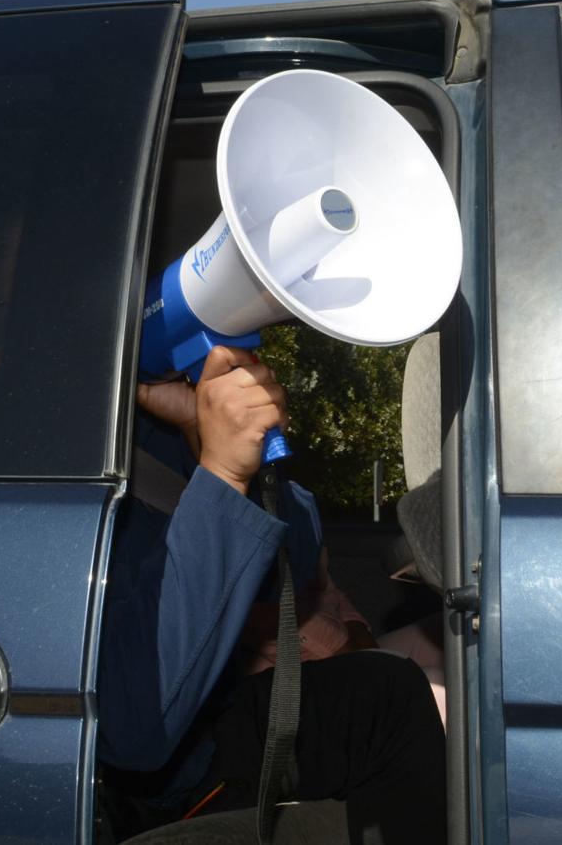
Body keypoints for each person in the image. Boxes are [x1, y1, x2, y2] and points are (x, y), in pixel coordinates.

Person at [98, 345, 445, 843]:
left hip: (212, 711)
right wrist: (222, 476)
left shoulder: (143, 434)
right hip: (151, 778)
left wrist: (202, 435)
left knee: (386, 693)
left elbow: (297, 562)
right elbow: (135, 728)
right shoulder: (41, 474)